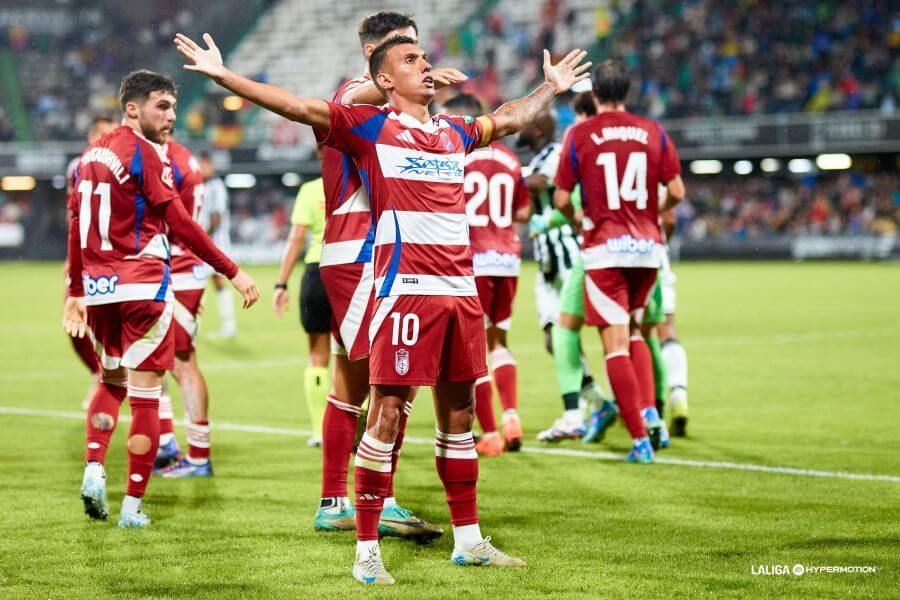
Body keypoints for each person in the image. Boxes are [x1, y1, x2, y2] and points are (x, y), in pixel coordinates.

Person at [175, 29, 588, 583]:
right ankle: (367, 553)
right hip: (406, 292)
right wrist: (224, 77)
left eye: (425, 56)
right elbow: (296, 106)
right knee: (387, 413)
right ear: (385, 79)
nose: (426, 65)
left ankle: (469, 541)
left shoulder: (454, 132)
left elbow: (508, 118)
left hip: (460, 293)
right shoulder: (370, 129)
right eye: (411, 59)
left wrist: (550, 87)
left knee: (460, 416)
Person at [282, 12, 461, 540]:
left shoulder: (390, 111)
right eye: (404, 50)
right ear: (373, 56)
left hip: (356, 252)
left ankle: (335, 500)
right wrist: (405, 86)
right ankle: (379, 501)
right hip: (365, 251)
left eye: (418, 50)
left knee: (352, 383)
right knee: (396, 380)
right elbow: (351, 96)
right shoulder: (354, 97)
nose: (417, 60)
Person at [64, 69, 259, 528]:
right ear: (132, 108)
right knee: (147, 399)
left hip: (100, 290)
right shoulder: (146, 153)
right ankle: (132, 508)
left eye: (172, 106)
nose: (172, 116)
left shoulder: (90, 155)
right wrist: (232, 270)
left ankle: (94, 467)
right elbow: (182, 224)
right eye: (163, 106)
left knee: (110, 382)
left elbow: (75, 225)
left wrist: (75, 290)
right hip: (143, 286)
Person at [554, 59, 685, 464]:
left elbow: (561, 199)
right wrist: (650, 212)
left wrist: (580, 218)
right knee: (636, 332)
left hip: (605, 251)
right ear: (627, 92)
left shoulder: (580, 134)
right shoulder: (653, 131)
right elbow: (677, 192)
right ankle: (651, 414)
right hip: (647, 251)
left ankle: (639, 440)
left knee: (614, 345)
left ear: (594, 94)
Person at [443, 92, 531, 457]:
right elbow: (523, 212)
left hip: (472, 261)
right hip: (507, 259)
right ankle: (511, 415)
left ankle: (491, 432)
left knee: (472, 350)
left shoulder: (457, 156)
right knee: (499, 343)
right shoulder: (510, 159)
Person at [520, 100, 612, 442]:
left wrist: (499, 172)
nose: (519, 127)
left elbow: (543, 184)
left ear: (538, 129)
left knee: (566, 333)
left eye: (525, 122)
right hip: (547, 260)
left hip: (566, 256)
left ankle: (579, 412)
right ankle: (598, 402)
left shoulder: (556, 154)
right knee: (553, 338)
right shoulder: (536, 159)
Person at [153, 137, 217, 477]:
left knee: (181, 362)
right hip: (179, 269)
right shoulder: (182, 158)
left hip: (175, 267)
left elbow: (168, 221)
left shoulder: (167, 162)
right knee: (154, 358)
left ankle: (198, 456)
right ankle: (166, 442)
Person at [274, 148, 331, 448]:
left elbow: (297, 237)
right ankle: (358, 425)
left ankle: (320, 431)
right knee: (356, 356)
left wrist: (280, 283)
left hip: (316, 273)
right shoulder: (361, 183)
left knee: (318, 356)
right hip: (353, 270)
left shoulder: (310, 190)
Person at [65, 115, 117, 408]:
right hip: (85, 258)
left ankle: (121, 383)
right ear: (91, 136)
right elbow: (74, 216)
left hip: (115, 260)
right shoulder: (79, 166)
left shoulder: (123, 163)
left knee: (113, 327)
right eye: (103, 134)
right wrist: (71, 257)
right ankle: (99, 372)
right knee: (73, 323)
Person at [197, 153, 238, 338]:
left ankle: (228, 325)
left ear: (211, 165)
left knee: (216, 281)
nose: (201, 169)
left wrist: (199, 239)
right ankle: (195, 325)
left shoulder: (216, 186)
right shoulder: (200, 185)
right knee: (202, 283)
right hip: (205, 242)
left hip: (215, 243)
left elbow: (216, 218)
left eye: (204, 165)